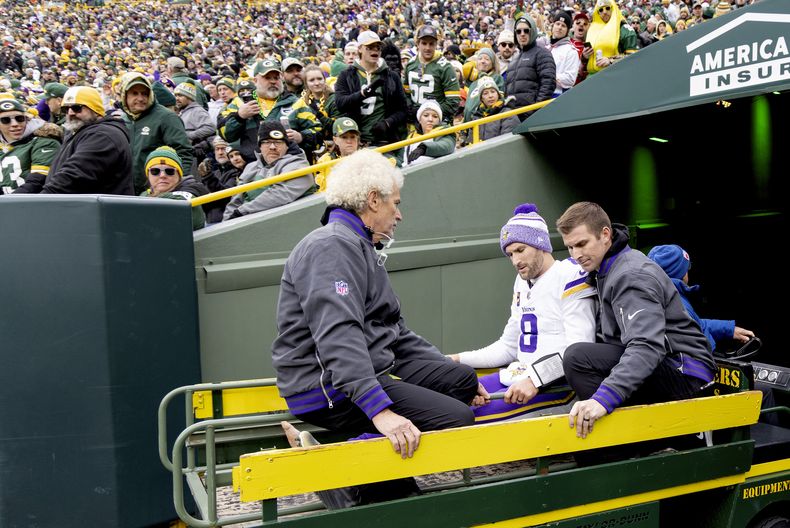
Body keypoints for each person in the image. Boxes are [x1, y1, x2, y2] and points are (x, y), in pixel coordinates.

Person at [272, 149, 482, 508]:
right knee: (457, 417)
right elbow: (338, 336)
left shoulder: (360, 245)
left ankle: (376, 476)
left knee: (461, 380)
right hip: (329, 387)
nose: (399, 214)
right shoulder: (332, 246)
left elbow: (395, 333)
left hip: (357, 373)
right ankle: (338, 471)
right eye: (395, 204)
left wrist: (454, 373)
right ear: (372, 200)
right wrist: (381, 413)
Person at [555, 202, 716, 439]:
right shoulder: (605, 269)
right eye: (570, 247)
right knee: (582, 356)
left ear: (605, 235)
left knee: (578, 358)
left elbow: (647, 346)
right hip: (666, 364)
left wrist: (603, 398)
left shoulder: (630, 274)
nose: (576, 254)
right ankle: (622, 441)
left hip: (687, 375)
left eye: (582, 244)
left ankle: (626, 446)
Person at [450, 204, 596, 422]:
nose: (515, 261)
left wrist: (535, 379)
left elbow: (580, 350)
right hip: (517, 375)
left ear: (541, 245)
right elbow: (508, 347)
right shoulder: (523, 281)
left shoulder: (569, 275)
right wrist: (455, 359)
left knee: (466, 419)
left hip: (557, 386)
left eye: (520, 250)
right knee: (447, 401)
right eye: (510, 254)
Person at [17, 86, 133, 195]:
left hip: (101, 213)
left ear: (95, 109)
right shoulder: (79, 130)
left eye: (76, 108)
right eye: (66, 109)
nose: (70, 113)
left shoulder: (103, 135)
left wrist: (41, 201)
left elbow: (74, 177)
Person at [647, 244, 755, 352]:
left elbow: (695, 324)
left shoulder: (654, 296)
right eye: (687, 267)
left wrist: (729, 330)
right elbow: (697, 350)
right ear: (680, 273)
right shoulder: (676, 304)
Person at [119, 72, 193, 194]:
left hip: (157, 193)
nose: (140, 98)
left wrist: (175, 187)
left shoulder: (166, 117)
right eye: (134, 93)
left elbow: (183, 153)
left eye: (144, 93)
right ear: (124, 96)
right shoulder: (123, 120)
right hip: (127, 192)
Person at [223, 121, 313, 220]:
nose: (272, 147)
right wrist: (227, 221)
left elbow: (281, 194)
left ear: (287, 145)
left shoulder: (298, 164)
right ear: (260, 146)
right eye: (267, 142)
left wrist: (241, 211)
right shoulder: (250, 168)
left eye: (278, 142)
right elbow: (236, 199)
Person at [334, 30, 409, 148]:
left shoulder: (391, 76)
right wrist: (362, 94)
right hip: (355, 144)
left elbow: (403, 110)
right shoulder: (346, 75)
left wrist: (387, 123)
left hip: (384, 142)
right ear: (359, 49)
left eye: (378, 47)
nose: (375, 50)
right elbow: (340, 103)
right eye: (370, 47)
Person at [0, 98, 61, 194]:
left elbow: (38, 182)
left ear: (27, 119)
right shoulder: (3, 147)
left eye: (19, 118)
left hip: (32, 204)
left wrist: (7, 204)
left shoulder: (45, 142)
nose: (15, 124)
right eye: (5, 120)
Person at [403, 24, 461, 125]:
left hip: (437, 123)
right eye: (424, 43)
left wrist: (429, 115)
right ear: (417, 44)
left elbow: (453, 101)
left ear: (436, 44)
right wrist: (412, 112)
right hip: (414, 122)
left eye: (431, 44)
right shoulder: (410, 64)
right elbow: (406, 94)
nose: (428, 48)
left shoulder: (445, 67)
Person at [140, 146, 207, 230]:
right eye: (155, 171)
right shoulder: (144, 195)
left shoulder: (185, 197)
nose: (162, 175)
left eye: (169, 171)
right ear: (148, 175)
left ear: (179, 176)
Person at [504, 14, 556, 121]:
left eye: (526, 30)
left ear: (532, 31)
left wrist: (534, 112)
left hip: (532, 118)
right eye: (518, 31)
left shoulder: (542, 54)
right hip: (513, 119)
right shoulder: (513, 60)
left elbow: (548, 84)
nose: (522, 34)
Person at [197, 136, 243, 224]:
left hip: (228, 222)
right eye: (217, 149)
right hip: (209, 222)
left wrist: (208, 177)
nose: (220, 153)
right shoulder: (214, 173)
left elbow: (226, 196)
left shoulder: (236, 172)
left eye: (223, 149)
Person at [461, 76, 519, 144]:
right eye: (485, 93)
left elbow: (508, 142)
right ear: (481, 99)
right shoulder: (476, 117)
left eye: (493, 91)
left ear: (498, 94)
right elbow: (470, 143)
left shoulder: (507, 113)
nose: (490, 96)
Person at [585, 0, 638, 75]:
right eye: (601, 10)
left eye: (607, 8)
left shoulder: (624, 29)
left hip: (616, 75)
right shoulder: (593, 31)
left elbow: (634, 57)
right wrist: (584, 57)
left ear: (613, 9)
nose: (604, 12)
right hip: (593, 77)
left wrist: (611, 61)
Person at [537, 10, 580, 96]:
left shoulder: (571, 51)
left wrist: (549, 76)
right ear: (553, 26)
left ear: (567, 30)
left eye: (563, 26)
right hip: (538, 93)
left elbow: (570, 79)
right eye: (557, 24)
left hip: (556, 95)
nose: (559, 27)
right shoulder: (545, 46)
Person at [174, 82, 216, 170]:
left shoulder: (197, 111)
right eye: (176, 95)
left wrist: (188, 135)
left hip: (197, 156)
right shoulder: (184, 111)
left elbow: (210, 128)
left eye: (180, 95)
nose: (177, 98)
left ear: (190, 97)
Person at [314, 117, 362, 192]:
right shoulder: (325, 161)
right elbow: (320, 193)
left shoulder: (368, 158)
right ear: (335, 140)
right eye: (344, 137)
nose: (349, 141)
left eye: (353, 137)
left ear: (358, 139)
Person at [402, 100, 455, 167]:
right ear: (420, 119)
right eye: (426, 115)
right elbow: (404, 161)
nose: (430, 119)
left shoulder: (444, 132)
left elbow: (447, 145)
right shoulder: (411, 137)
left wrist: (424, 148)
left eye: (435, 116)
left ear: (439, 121)